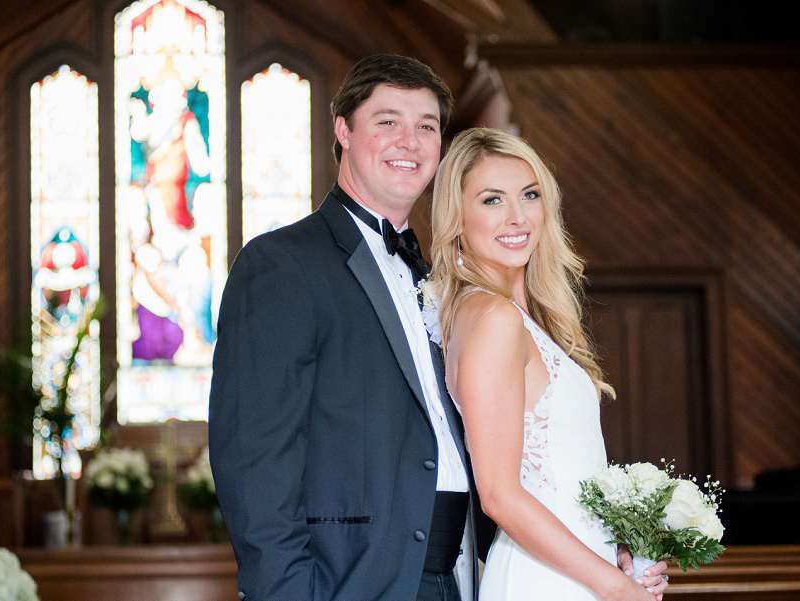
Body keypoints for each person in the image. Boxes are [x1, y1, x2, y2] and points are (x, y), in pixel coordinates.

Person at [209, 54, 481, 601]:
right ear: (343, 131)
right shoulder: (281, 264)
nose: (410, 141)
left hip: (459, 577)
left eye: (426, 127)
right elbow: (255, 461)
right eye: (388, 122)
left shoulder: (437, 276)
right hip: (348, 582)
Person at [428, 128, 670, 601]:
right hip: (546, 580)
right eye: (492, 200)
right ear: (457, 218)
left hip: (575, 568)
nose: (517, 216)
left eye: (530, 195)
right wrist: (613, 586)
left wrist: (618, 553)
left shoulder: (512, 314)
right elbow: (498, 493)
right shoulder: (494, 319)